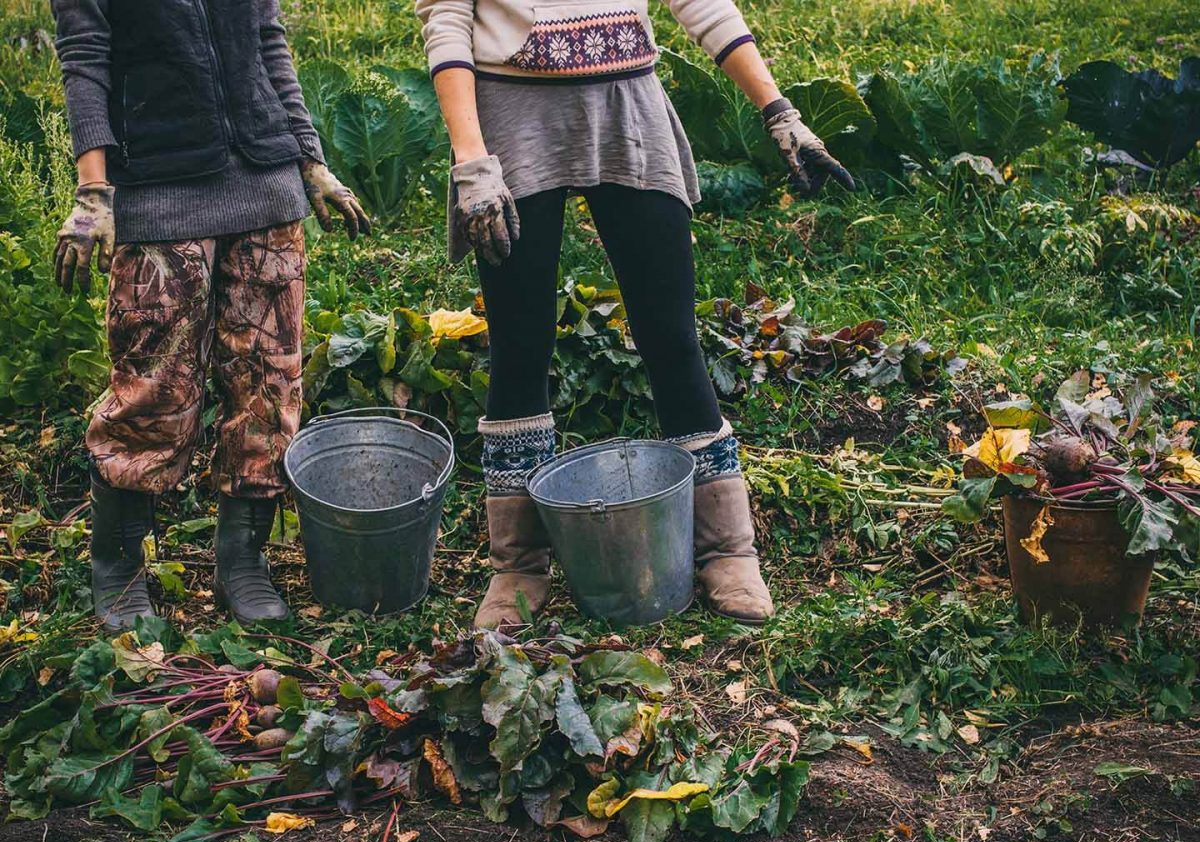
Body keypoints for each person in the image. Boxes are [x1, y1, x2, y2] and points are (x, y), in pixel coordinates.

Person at [416, 0, 854, 629]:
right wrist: (471, 161)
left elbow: (701, 4)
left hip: (627, 103)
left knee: (669, 331)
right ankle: (518, 564)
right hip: (511, 114)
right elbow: (448, 20)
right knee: (519, 341)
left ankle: (728, 549)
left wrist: (778, 109)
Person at [51, 0, 370, 633]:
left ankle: (241, 562)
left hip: (264, 181)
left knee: (268, 382)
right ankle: (117, 566)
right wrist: (94, 191)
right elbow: (85, 59)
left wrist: (308, 157)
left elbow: (268, 42)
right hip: (158, 185)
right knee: (152, 387)